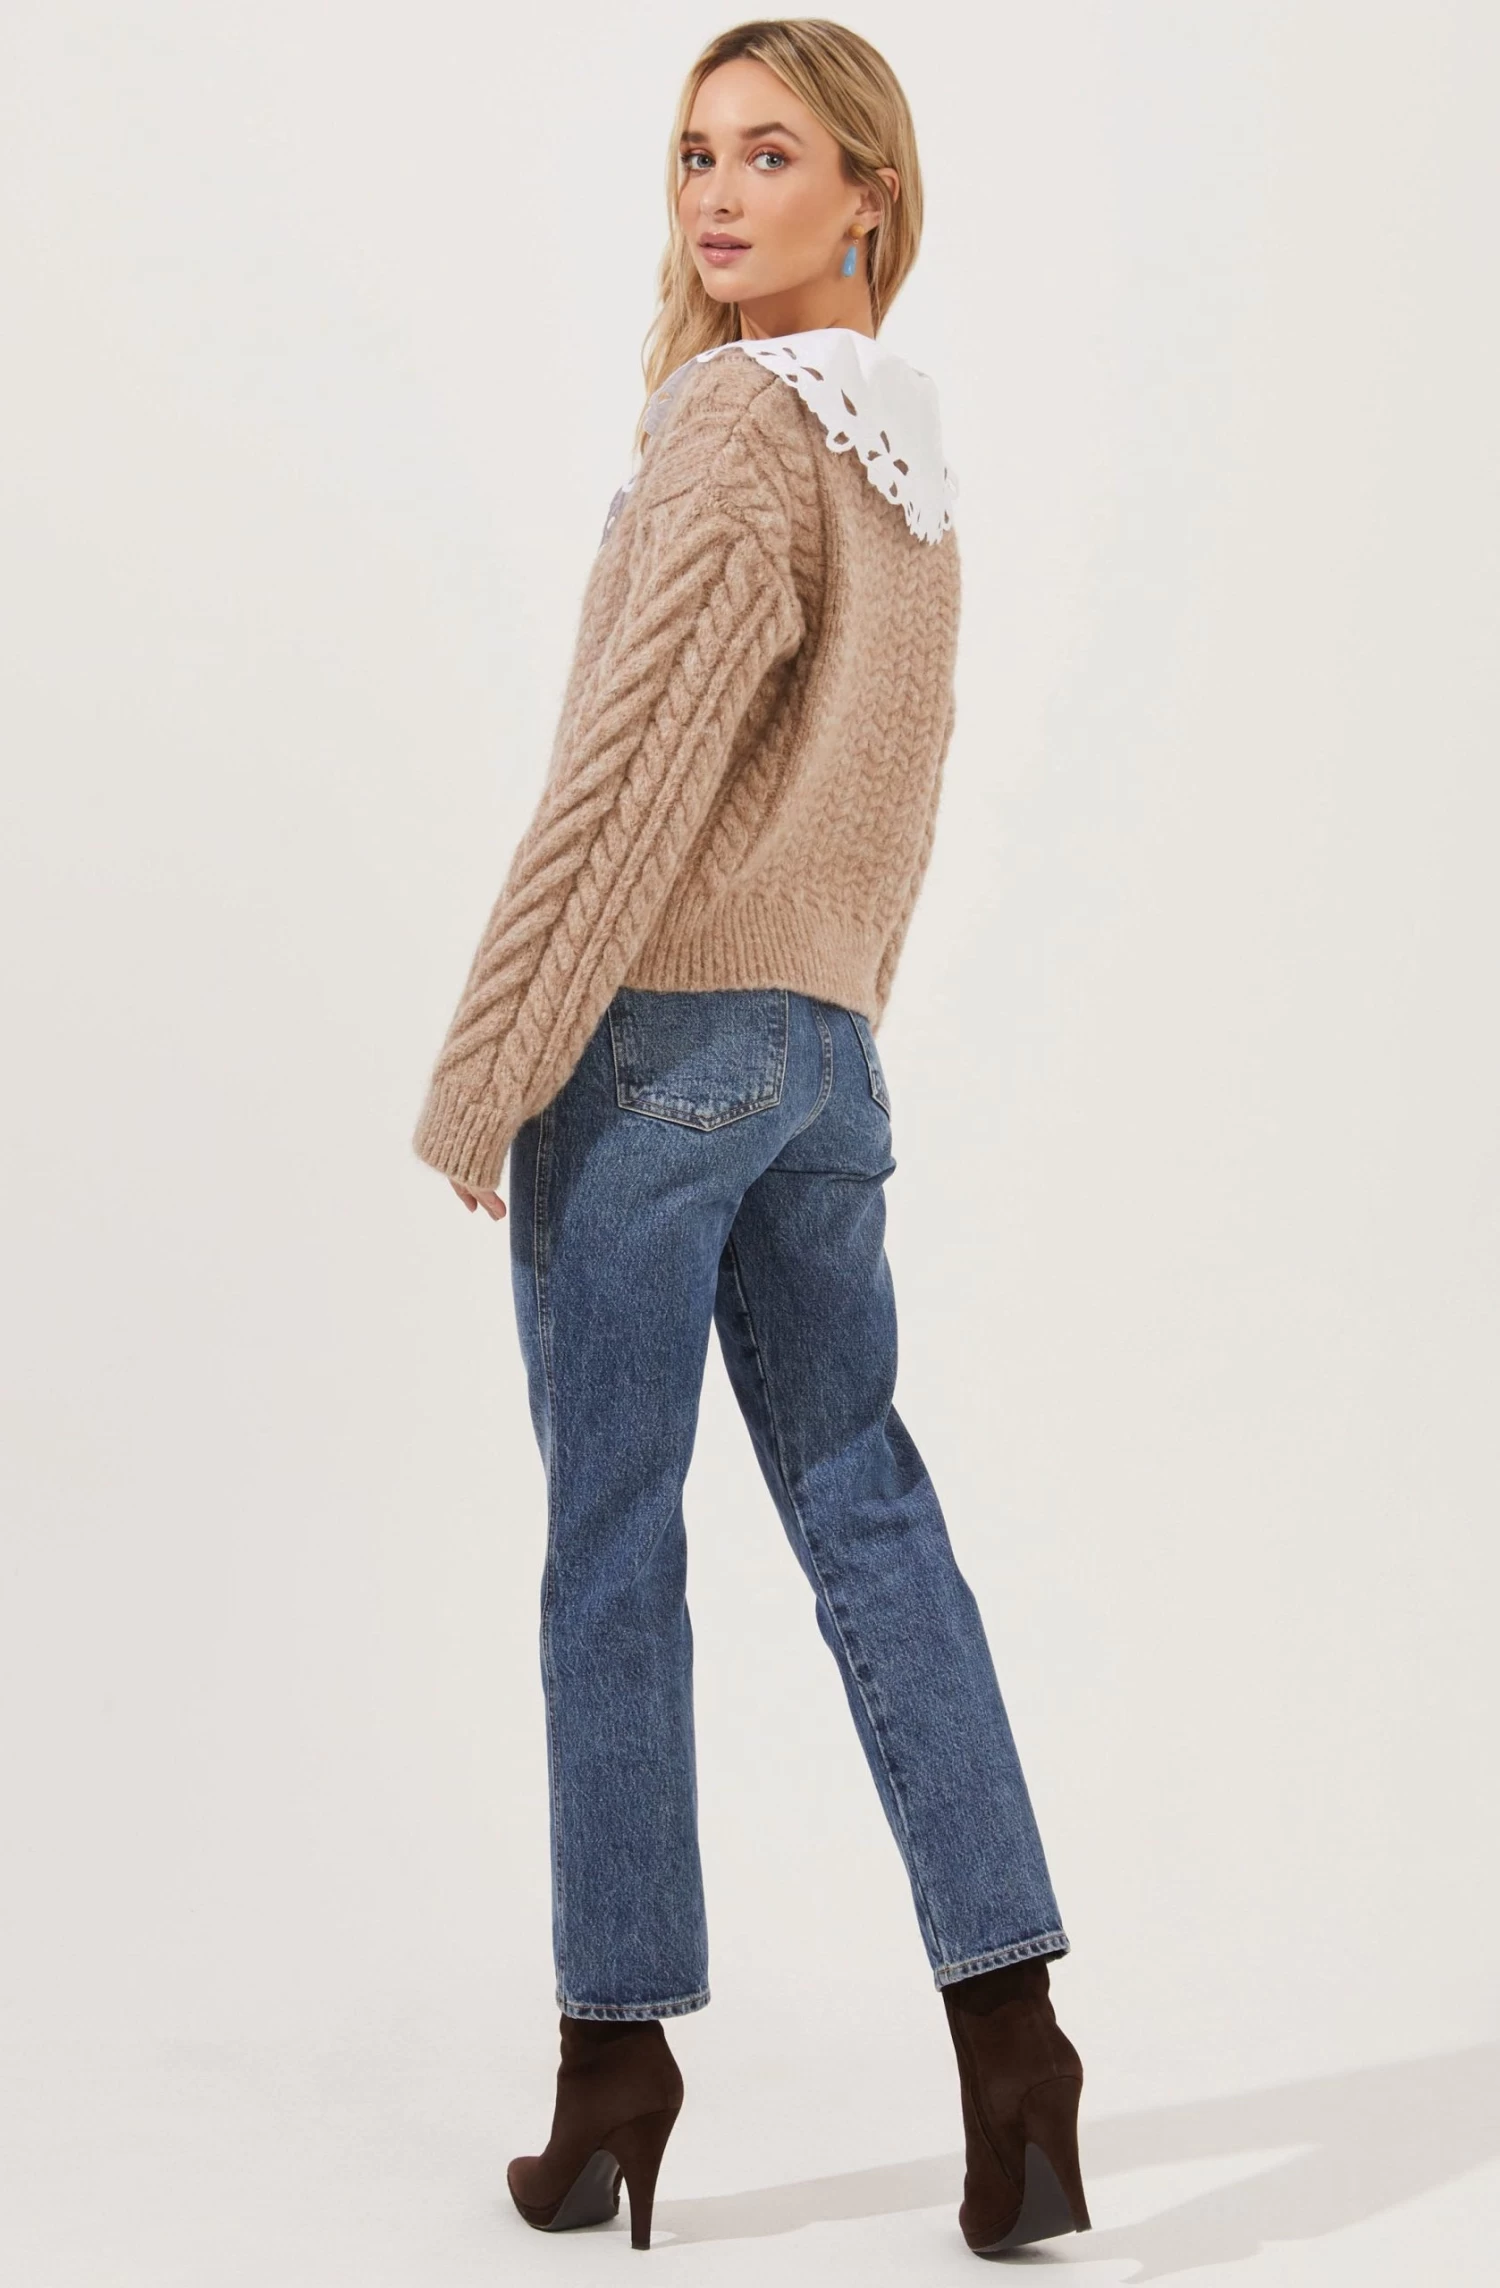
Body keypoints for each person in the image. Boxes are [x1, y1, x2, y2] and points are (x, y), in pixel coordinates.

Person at [410, 16, 1091, 2261]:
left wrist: (493, 1059)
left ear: (867, 192)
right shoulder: (910, 452)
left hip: (651, 1051)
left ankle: (616, 2059)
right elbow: (889, 789)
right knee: (870, 1521)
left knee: (613, 1541)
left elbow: (631, 770)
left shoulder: (731, 423)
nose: (717, 193)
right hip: (821, 1053)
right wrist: (840, 1027)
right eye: (697, 152)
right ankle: (1017, 2045)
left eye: (772, 154)